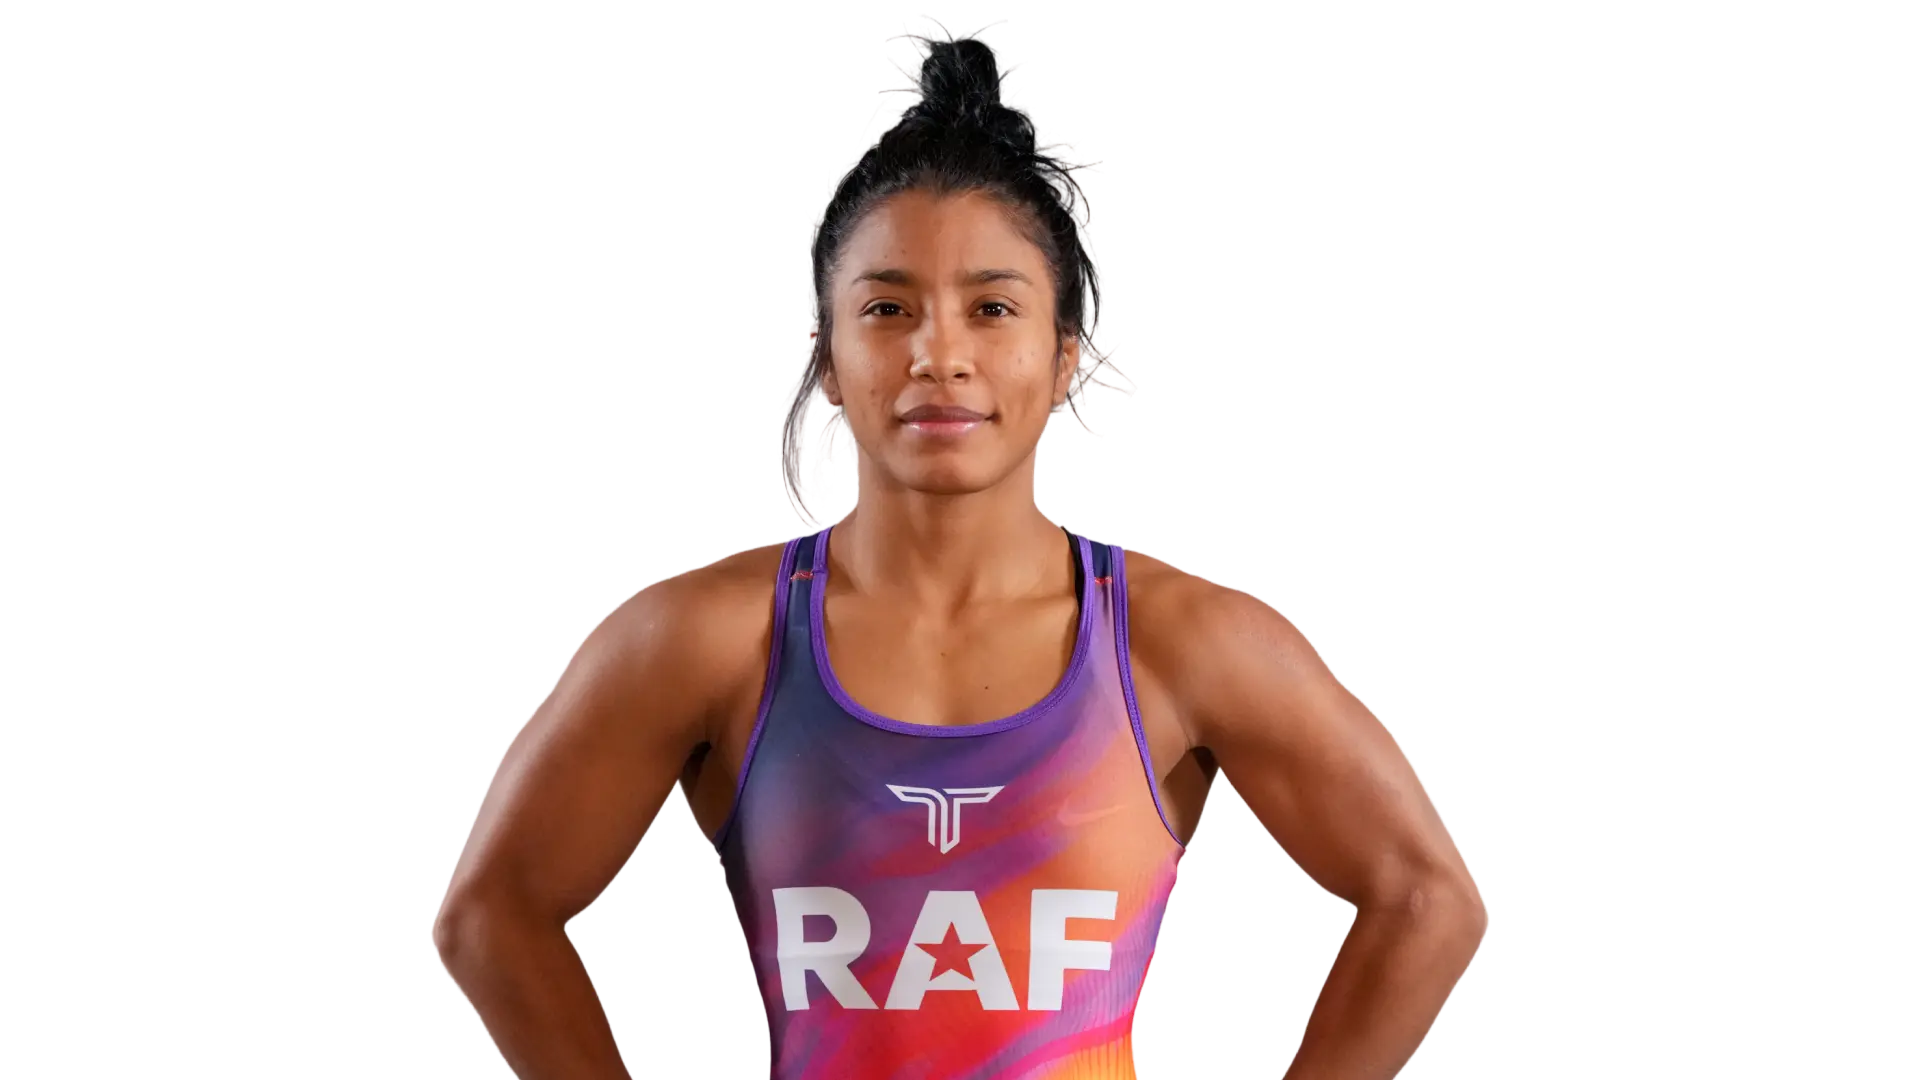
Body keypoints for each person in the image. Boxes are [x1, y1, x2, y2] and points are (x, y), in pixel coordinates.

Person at [431, 20, 1488, 1080]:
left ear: (1064, 358)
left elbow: (1428, 899)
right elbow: (490, 916)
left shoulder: (1181, 639)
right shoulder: (703, 638)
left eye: (992, 308)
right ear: (830, 353)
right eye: (888, 308)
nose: (939, 353)